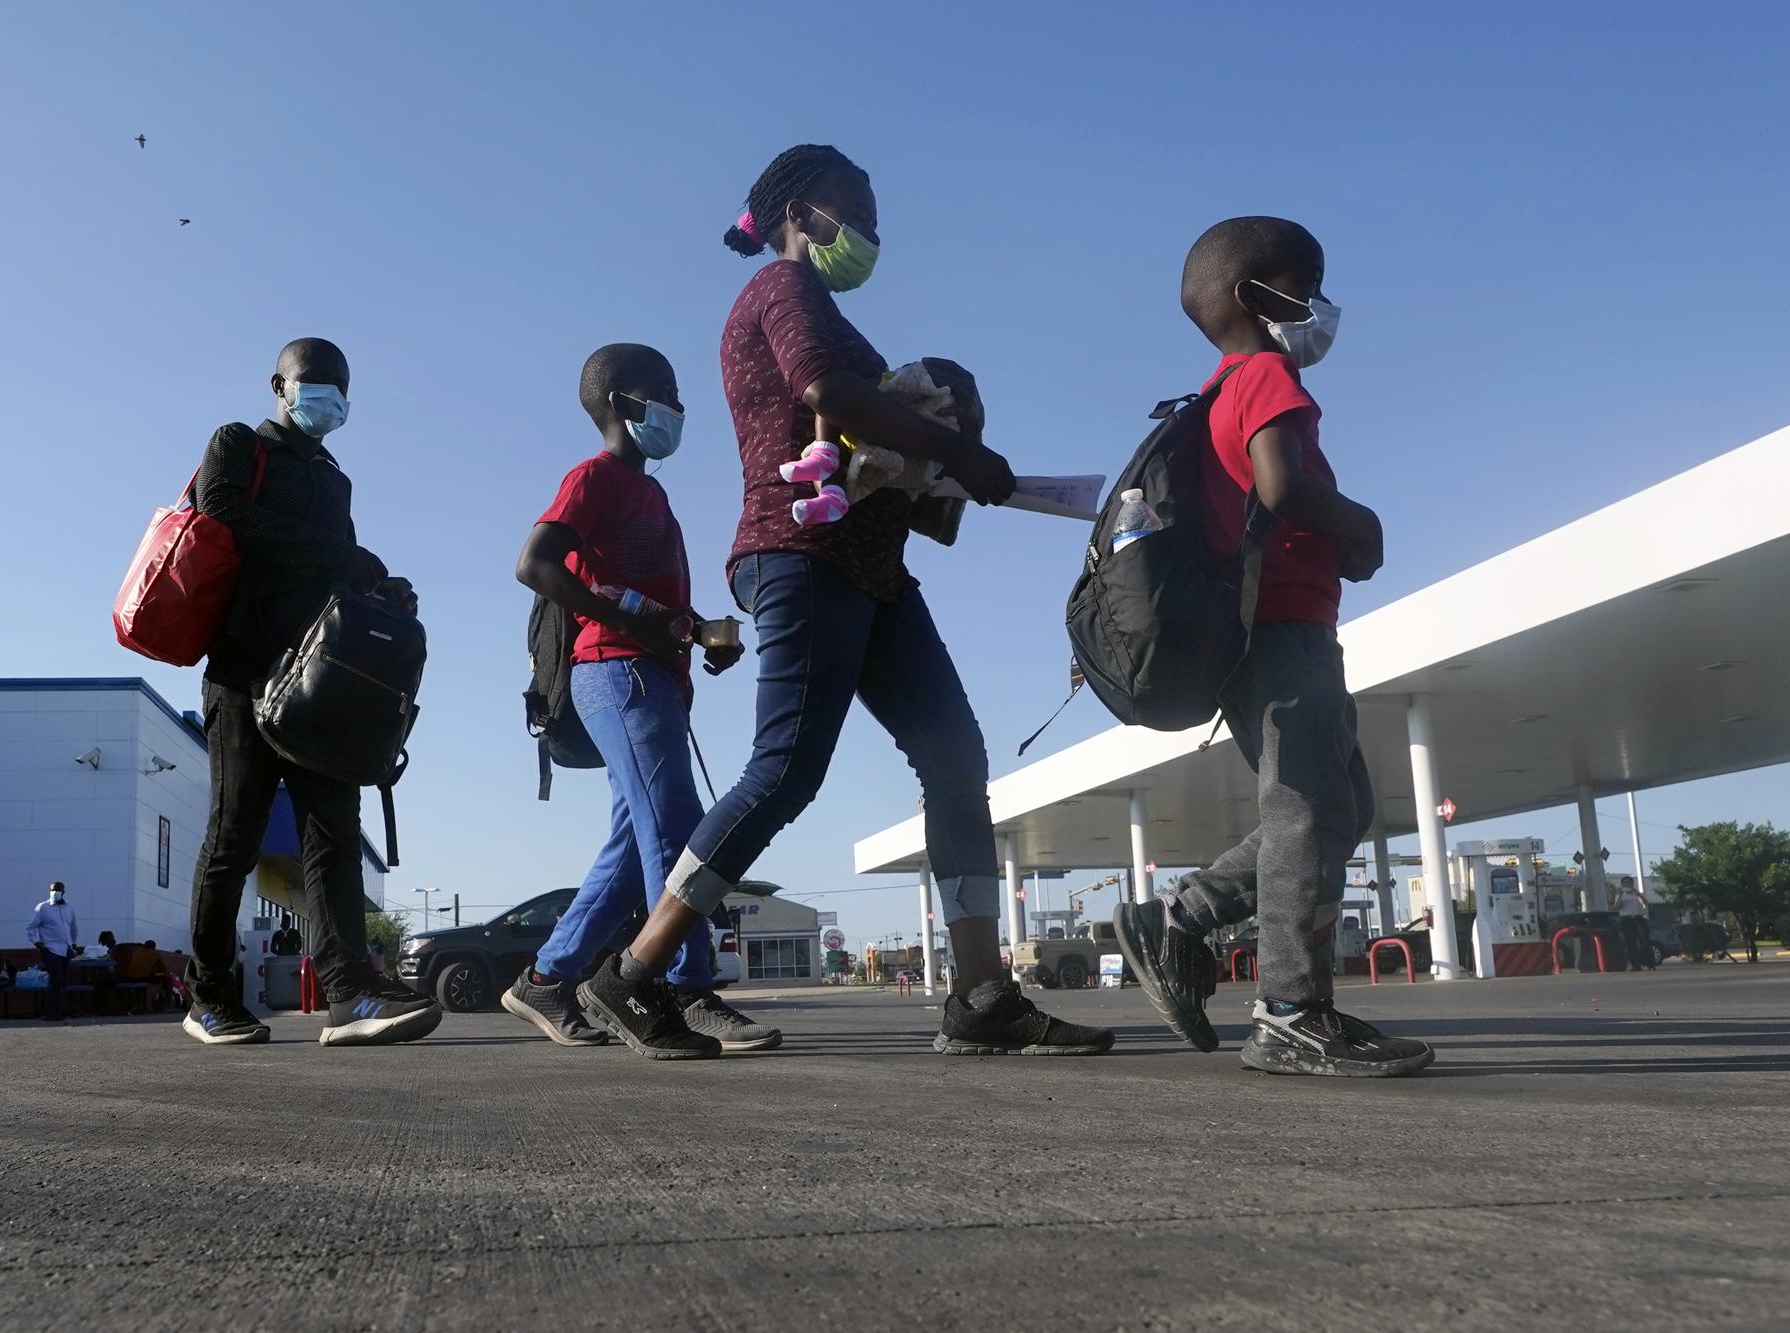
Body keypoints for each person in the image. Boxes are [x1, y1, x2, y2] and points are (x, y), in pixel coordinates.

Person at [575, 145, 1112, 1060]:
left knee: (954, 757)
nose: (868, 229)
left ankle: (982, 992)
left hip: (870, 566)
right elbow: (828, 393)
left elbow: (869, 432)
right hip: (802, 553)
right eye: (852, 208)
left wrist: (948, 446)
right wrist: (966, 458)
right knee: (785, 769)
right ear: (798, 210)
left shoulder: (818, 306)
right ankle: (626, 977)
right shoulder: (783, 291)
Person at [1112, 217, 1433, 1078]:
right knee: (1307, 811)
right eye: (1308, 282)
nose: (1320, 304)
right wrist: (1361, 527)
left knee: (1335, 807)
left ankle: (1185, 911)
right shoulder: (1264, 374)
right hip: (1284, 628)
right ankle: (1290, 1009)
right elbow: (1283, 485)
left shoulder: (1222, 387)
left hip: (1265, 630)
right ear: (1257, 295)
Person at [505, 343, 775, 1056]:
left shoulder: (652, 493)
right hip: (615, 671)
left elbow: (649, 602)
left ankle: (545, 975)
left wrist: (695, 634)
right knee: (679, 829)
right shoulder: (595, 477)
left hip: (652, 674)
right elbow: (534, 563)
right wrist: (633, 623)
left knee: (632, 847)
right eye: (666, 393)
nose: (679, 408)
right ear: (622, 402)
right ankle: (682, 991)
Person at [182, 337, 441, 1048]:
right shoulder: (239, 443)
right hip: (241, 672)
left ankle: (351, 994)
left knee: (331, 834)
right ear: (280, 384)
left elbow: (335, 570)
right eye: (313, 383)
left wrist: (377, 583)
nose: (326, 396)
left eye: (339, 389)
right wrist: (340, 555)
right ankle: (207, 996)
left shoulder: (335, 478)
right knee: (234, 835)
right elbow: (225, 510)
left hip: (316, 684)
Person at [26, 882, 81, 1022]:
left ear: (64, 892)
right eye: (52, 890)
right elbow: (31, 927)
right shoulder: (43, 908)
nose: (55, 892)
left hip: (66, 949)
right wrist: (37, 943)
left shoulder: (69, 908)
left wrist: (73, 945)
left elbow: (73, 928)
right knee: (55, 979)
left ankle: (61, 1011)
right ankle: (51, 1013)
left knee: (62, 981)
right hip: (50, 949)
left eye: (58, 890)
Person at [1616, 877, 1652, 970]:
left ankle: (1649, 962)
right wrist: (1620, 896)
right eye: (1625, 883)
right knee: (1630, 943)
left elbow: (1645, 904)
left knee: (1644, 940)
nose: (1627, 885)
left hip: (1638, 917)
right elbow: (1616, 907)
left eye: (1629, 883)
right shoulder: (1620, 895)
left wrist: (1638, 894)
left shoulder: (1637, 894)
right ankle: (1635, 965)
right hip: (1626, 919)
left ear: (1632, 884)